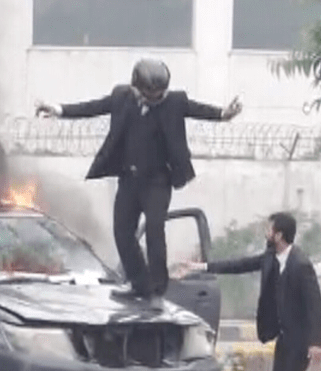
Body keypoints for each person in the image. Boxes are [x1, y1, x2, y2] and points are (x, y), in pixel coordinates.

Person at [36, 58, 242, 307]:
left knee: (155, 230)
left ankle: (157, 291)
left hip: (158, 181)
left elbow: (199, 110)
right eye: (150, 94)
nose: (156, 98)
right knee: (122, 232)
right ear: (136, 87)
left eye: (160, 94)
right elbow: (92, 107)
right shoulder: (121, 97)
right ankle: (139, 284)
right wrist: (58, 110)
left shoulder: (175, 102)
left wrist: (223, 114)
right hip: (129, 180)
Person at [184, 212, 321, 371]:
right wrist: (203, 267)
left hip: (301, 339)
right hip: (284, 336)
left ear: (279, 235)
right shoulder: (271, 257)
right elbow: (240, 265)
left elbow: (315, 305)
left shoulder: (300, 264)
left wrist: (316, 343)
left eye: (269, 229)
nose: (266, 233)